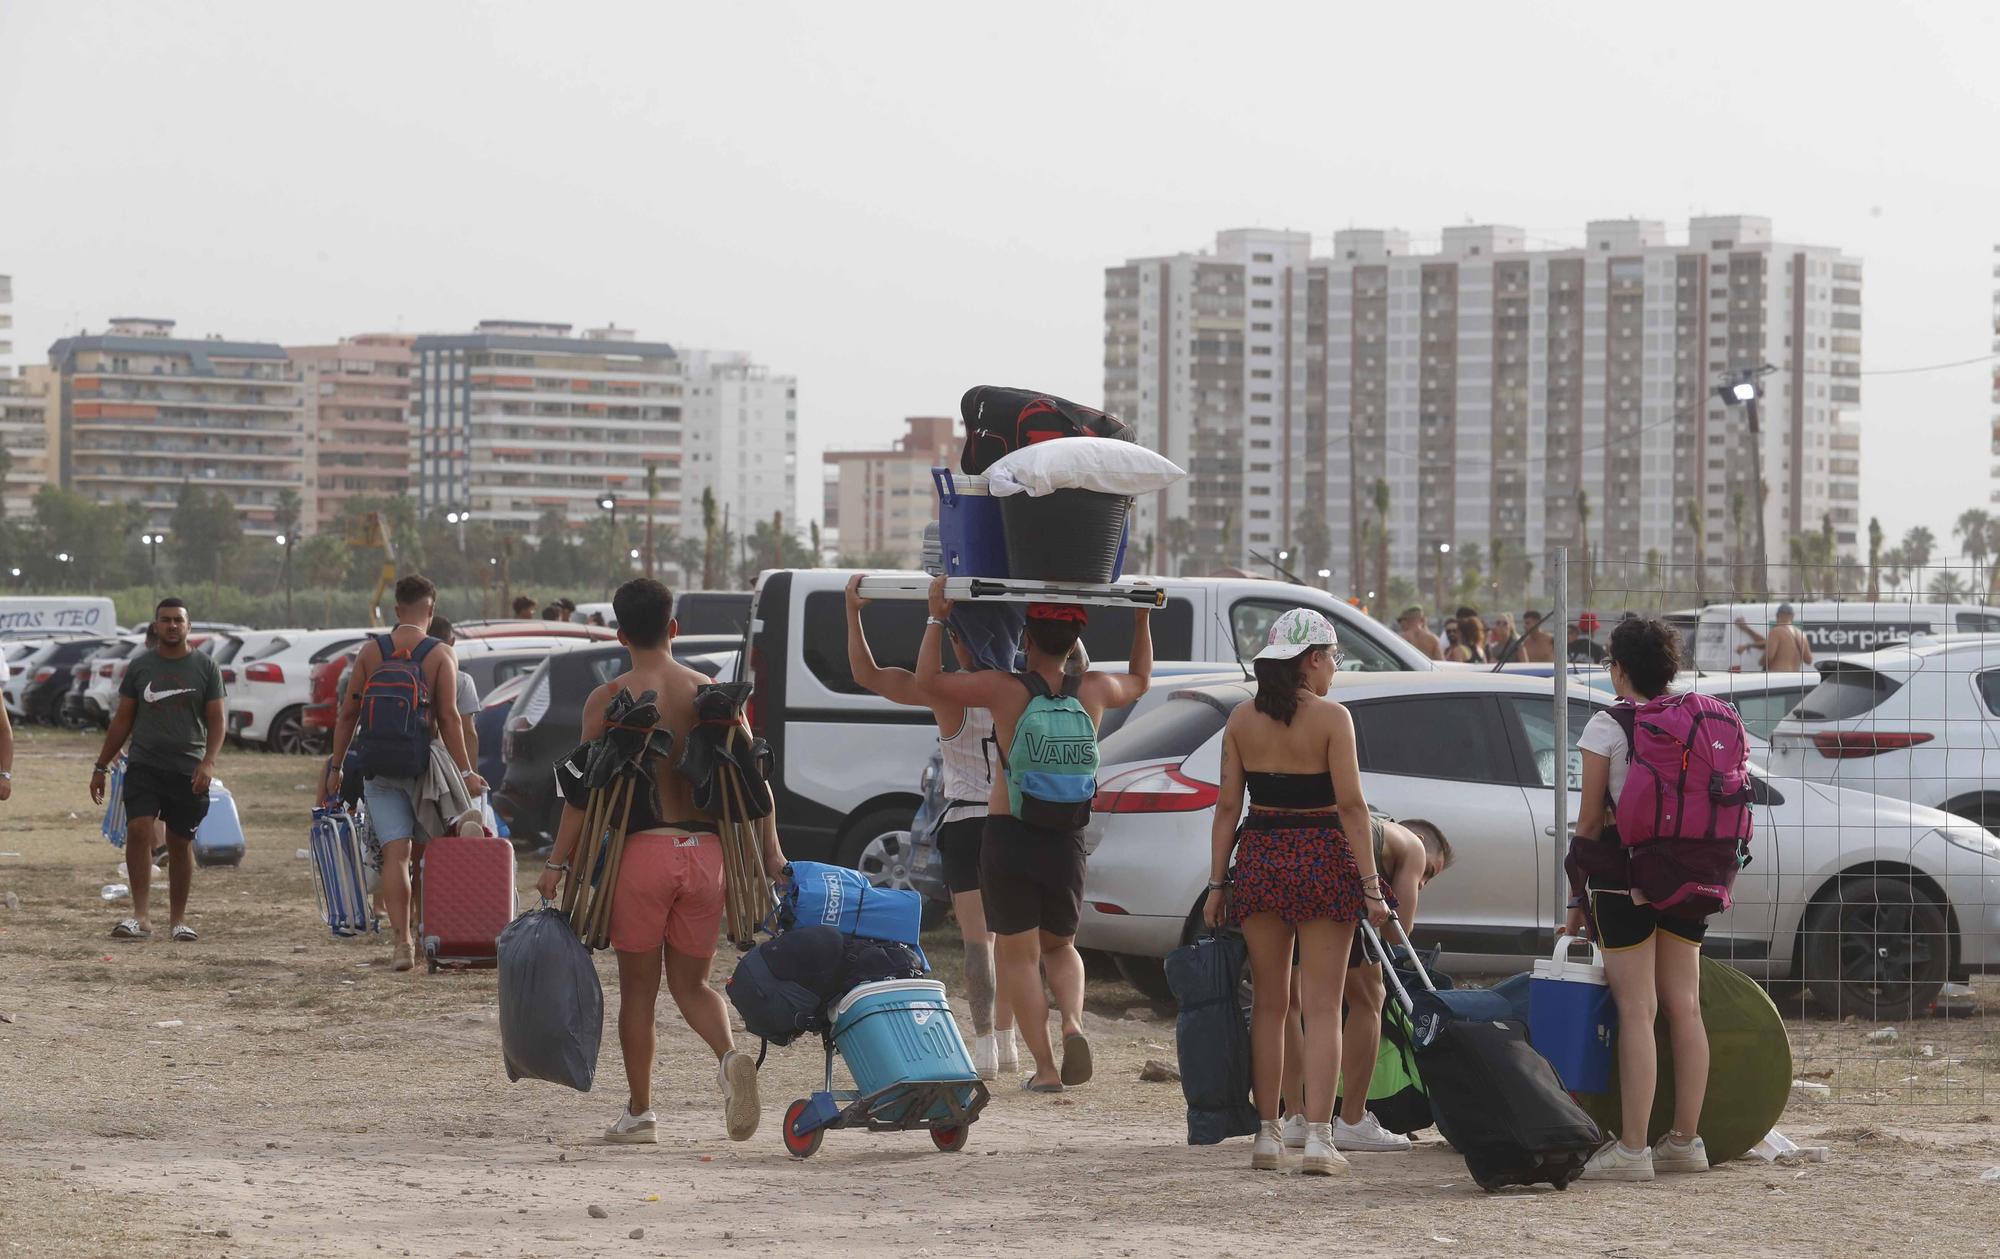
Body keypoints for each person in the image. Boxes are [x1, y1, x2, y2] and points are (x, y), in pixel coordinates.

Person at [535, 578, 786, 1145]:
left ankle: (641, 1112)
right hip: (707, 857)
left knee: (640, 993)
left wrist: (556, 862)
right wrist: (772, 854)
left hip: (643, 856)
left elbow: (583, 795)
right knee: (693, 985)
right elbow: (756, 783)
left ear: (620, 634)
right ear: (674, 628)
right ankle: (727, 1060)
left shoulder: (609, 700)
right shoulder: (711, 695)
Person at [917, 577, 1152, 1093]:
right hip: (1066, 836)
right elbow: (1141, 678)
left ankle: (1045, 1070)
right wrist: (1141, 618)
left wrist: (937, 616)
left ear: (1027, 637)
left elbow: (930, 681)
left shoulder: (1003, 689)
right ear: (1074, 643)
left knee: (1019, 956)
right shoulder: (1092, 691)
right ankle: (1073, 1022)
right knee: (1062, 946)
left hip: (1009, 832)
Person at [1203, 607, 1391, 1175]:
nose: (1334, 669)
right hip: (1322, 860)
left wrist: (1217, 883)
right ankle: (1317, 1138)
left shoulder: (1241, 719)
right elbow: (1353, 807)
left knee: (1268, 1003)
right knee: (1323, 1005)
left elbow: (1227, 807)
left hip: (1259, 858)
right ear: (1311, 660)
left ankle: (1266, 1135)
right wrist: (1371, 886)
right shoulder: (1333, 719)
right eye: (1332, 657)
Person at [844, 575, 1015, 1078]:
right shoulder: (1021, 690)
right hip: (1012, 822)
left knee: (977, 941)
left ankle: (983, 1045)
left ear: (962, 641)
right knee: (1012, 941)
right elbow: (1077, 665)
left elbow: (867, 674)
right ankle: (1008, 1045)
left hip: (965, 821)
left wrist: (855, 612)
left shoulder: (946, 695)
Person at [1565, 618, 1711, 1182]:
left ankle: (1631, 1150)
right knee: (1686, 1007)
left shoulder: (1608, 725)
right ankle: (1685, 1141)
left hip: (1624, 877)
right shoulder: (1696, 719)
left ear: (1619, 668)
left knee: (1637, 1010)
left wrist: (1577, 899)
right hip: (1691, 877)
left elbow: (1589, 822)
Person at [325, 576, 486, 972]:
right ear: (431, 609)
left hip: (378, 767)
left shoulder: (370, 651)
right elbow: (448, 718)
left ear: (396, 610)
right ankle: (426, 928)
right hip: (423, 767)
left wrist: (336, 765)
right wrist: (464, 770)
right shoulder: (440, 655)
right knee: (427, 855)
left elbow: (348, 713)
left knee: (395, 854)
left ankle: (402, 942)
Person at [1277, 815, 1452, 1153]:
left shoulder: (1376, 826)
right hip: (1336, 875)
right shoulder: (1412, 845)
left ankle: (1295, 1117)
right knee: (1371, 996)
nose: (1423, 882)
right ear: (1420, 838)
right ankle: (1353, 1120)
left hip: (1292, 856)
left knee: (1288, 999)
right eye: (1429, 871)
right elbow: (1398, 932)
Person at [89, 597, 225, 942]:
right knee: (138, 830)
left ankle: (178, 920)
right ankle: (140, 916)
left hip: (187, 770)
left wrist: (208, 762)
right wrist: (101, 765)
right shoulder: (140, 667)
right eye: (165, 620)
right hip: (145, 764)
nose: (172, 626)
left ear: (188, 626)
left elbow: (217, 721)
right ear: (156, 626)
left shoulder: (206, 668)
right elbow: (123, 719)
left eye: (178, 620)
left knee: (180, 843)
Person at [1737, 604, 1812, 672]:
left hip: (1778, 677)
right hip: (1795, 678)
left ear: (1777, 615)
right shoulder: (1802, 634)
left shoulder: (1776, 631)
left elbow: (1769, 656)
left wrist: (1760, 662)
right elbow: (1809, 660)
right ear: (1792, 616)